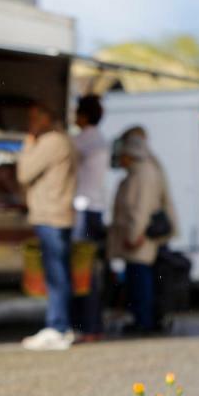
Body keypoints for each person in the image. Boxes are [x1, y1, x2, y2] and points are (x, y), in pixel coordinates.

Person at [17, 103, 77, 350]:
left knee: (56, 274)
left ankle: (57, 326)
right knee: (59, 271)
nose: (30, 123)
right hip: (59, 213)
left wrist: (29, 143)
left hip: (50, 215)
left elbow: (24, 172)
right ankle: (60, 325)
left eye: (34, 118)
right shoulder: (63, 141)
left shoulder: (51, 142)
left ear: (47, 119)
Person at [108, 133, 172, 333]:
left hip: (140, 238)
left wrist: (135, 235)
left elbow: (141, 209)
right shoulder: (141, 172)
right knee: (138, 279)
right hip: (138, 235)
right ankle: (141, 319)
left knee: (141, 281)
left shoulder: (143, 174)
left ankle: (143, 321)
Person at [72, 95, 109, 339]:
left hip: (83, 210)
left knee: (82, 272)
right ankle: (93, 325)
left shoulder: (83, 140)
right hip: (96, 209)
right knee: (92, 271)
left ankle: (87, 326)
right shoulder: (101, 139)